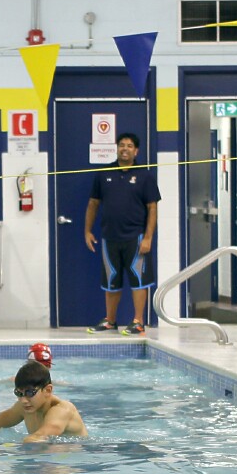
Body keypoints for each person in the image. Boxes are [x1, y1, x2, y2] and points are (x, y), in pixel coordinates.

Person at [83, 132, 160, 335]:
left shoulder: (145, 176)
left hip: (136, 238)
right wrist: (87, 231)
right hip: (110, 238)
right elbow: (93, 204)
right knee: (111, 282)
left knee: (138, 281)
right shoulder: (103, 174)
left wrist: (149, 238)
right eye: (121, 145)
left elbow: (153, 208)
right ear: (117, 149)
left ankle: (138, 322)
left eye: (129, 146)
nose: (125, 148)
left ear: (136, 151)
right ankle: (110, 320)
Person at [0, 360, 88, 443]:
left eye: (30, 393)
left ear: (48, 390)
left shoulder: (62, 410)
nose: (24, 400)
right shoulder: (23, 407)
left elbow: (40, 436)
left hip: (73, 458)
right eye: (19, 393)